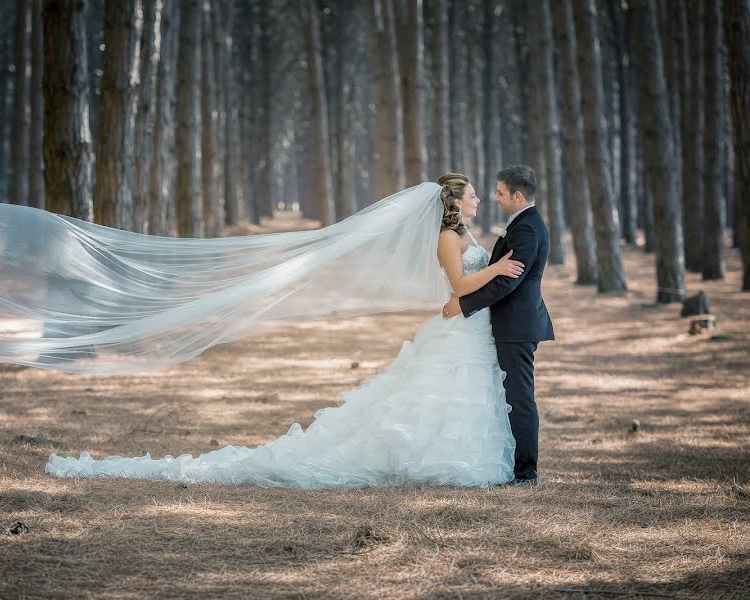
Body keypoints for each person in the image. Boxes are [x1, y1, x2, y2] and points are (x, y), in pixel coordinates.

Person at [46, 173, 528, 488]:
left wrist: (495, 265)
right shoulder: (447, 237)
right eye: (472, 194)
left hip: (470, 326)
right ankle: (426, 458)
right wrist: (499, 269)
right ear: (454, 201)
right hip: (459, 325)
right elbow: (461, 283)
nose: (480, 199)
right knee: (437, 393)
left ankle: (463, 459)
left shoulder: (465, 234)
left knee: (466, 394)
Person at [442, 165, 555, 485]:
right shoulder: (520, 224)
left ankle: (526, 473)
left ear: (518, 196)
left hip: (517, 327)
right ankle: (511, 465)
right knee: (508, 397)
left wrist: (463, 305)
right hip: (508, 324)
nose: (494, 198)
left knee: (520, 399)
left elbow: (509, 283)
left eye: (501, 193)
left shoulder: (526, 229)